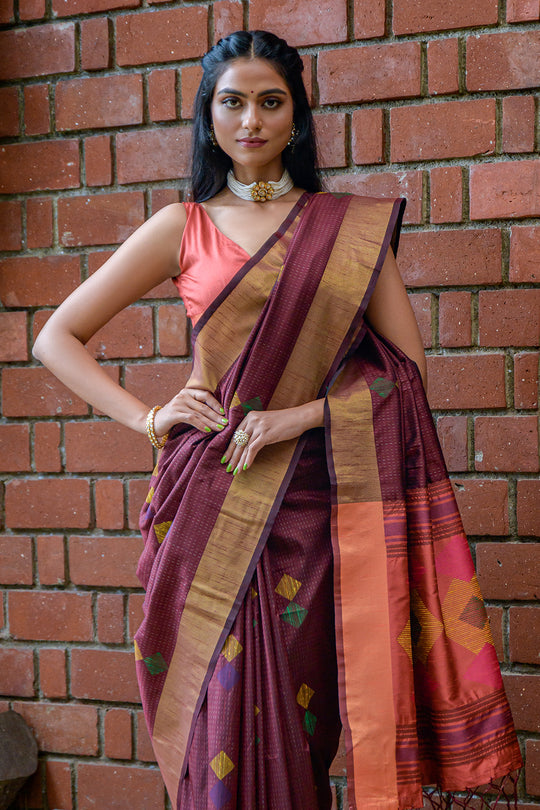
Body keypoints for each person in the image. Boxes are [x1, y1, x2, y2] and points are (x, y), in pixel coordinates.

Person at [33, 29, 521, 810]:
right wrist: (151, 417)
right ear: (209, 116)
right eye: (233, 102)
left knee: (299, 719)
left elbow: (408, 377)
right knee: (215, 721)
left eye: (271, 101)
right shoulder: (182, 226)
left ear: (296, 117)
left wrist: (299, 417)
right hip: (207, 497)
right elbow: (55, 337)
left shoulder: (347, 230)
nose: (251, 120)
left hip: (313, 510)